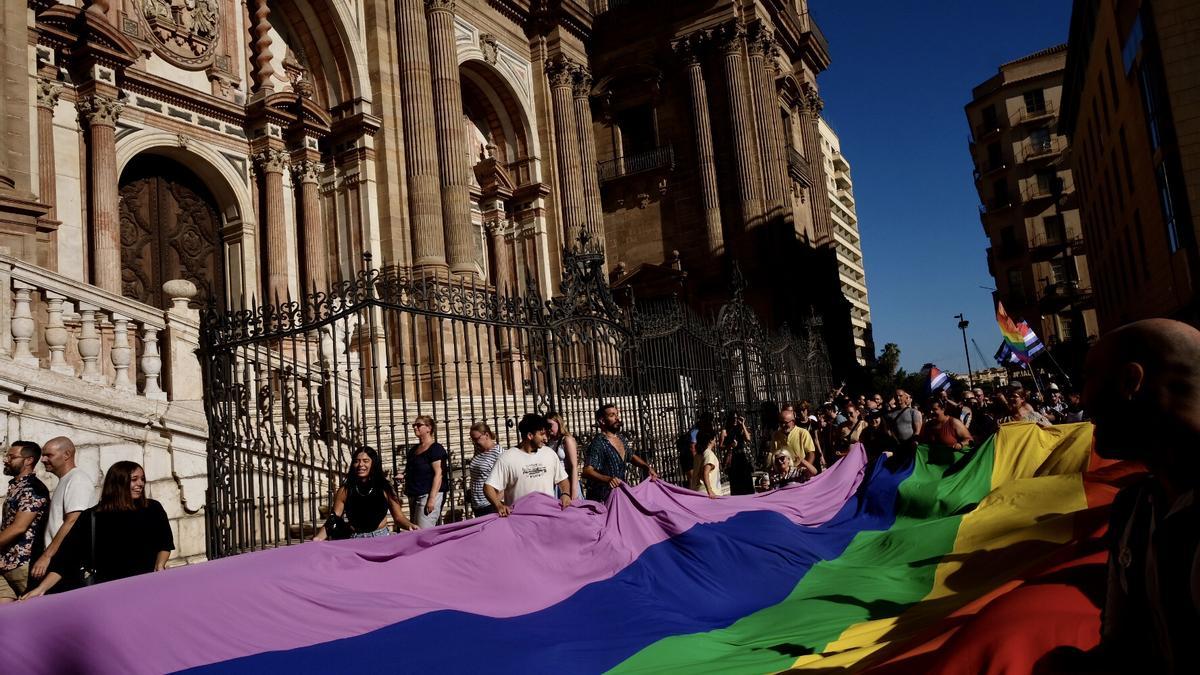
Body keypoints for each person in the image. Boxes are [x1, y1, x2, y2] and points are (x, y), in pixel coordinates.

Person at [1082, 319, 1200, 674]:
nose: (1083, 401)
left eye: (1089, 377)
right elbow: (1121, 651)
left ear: (1130, 381)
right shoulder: (1133, 510)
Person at [21, 461, 172, 599]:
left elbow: (165, 543)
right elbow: (66, 558)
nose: (140, 484)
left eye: (142, 479)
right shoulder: (92, 516)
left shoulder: (153, 509)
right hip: (109, 592)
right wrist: (41, 588)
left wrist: (160, 565)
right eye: (134, 479)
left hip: (148, 587)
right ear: (118, 482)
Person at [32, 437, 96, 588]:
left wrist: (47, 556)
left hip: (67, 564)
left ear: (67, 454)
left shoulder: (77, 480)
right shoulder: (67, 479)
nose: (43, 459)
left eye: (49, 455)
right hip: (60, 562)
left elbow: (73, 520)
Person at [313, 446, 416, 540]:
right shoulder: (345, 490)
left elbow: (398, 517)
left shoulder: (385, 488)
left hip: (381, 538)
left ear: (373, 463)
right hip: (355, 539)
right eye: (356, 461)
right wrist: (318, 538)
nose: (360, 465)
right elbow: (333, 519)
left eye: (365, 461)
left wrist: (410, 525)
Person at [484, 414, 570, 517]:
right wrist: (498, 505)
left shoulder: (550, 454)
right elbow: (488, 487)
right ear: (530, 436)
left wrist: (565, 494)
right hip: (520, 519)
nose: (546, 439)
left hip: (548, 516)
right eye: (542, 434)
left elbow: (563, 480)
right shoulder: (507, 458)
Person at [0, 441, 49, 603]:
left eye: (11, 457)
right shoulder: (18, 486)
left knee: (37, 611)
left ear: (28, 460)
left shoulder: (32, 488)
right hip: (6, 562)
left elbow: (19, 527)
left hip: (22, 564)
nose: (6, 460)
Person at [582, 404, 657, 503]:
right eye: (612, 415)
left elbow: (630, 455)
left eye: (617, 414)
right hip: (602, 499)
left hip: (620, 495)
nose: (617, 418)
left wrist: (647, 467)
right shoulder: (598, 443)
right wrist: (608, 479)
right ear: (602, 421)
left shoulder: (620, 438)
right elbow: (587, 471)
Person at [402, 415, 449, 528]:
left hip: (427, 495)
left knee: (423, 530)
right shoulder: (414, 450)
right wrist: (403, 475)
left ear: (429, 428)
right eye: (414, 425)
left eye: (418, 425)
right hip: (414, 494)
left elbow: (439, 474)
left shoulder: (435, 448)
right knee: (415, 529)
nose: (415, 427)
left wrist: (432, 499)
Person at [467, 422, 506, 518]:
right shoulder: (478, 450)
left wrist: (495, 502)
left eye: (476, 439)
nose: (474, 442)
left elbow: (507, 481)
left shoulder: (499, 453)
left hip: (490, 505)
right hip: (476, 504)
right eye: (472, 439)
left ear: (487, 435)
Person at [770, 403, 817, 470]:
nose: (783, 425)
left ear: (793, 421)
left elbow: (811, 453)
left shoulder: (803, 433)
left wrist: (806, 469)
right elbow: (773, 454)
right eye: (781, 423)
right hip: (784, 472)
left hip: (800, 470)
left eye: (786, 423)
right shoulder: (776, 435)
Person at [546, 412, 581, 501]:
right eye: (546, 426)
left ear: (558, 423)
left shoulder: (566, 440)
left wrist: (574, 492)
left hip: (568, 481)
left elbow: (574, 466)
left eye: (550, 425)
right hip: (555, 483)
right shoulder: (548, 442)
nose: (548, 428)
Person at [721, 411, 755, 495]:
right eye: (733, 418)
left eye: (737, 418)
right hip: (733, 458)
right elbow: (721, 446)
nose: (735, 420)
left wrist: (743, 424)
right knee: (735, 482)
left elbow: (748, 439)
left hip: (743, 457)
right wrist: (730, 446)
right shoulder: (725, 431)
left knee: (746, 480)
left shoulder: (741, 429)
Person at [689, 428, 722, 499]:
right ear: (710, 440)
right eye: (714, 438)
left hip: (698, 491)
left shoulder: (698, 455)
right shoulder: (709, 454)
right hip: (708, 494)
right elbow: (705, 473)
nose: (715, 440)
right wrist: (710, 491)